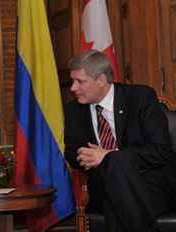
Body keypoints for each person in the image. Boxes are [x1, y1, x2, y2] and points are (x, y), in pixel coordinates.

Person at [64, 49, 176, 232]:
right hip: (102, 184)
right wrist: (89, 157)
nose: (73, 88)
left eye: (80, 81)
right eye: (73, 81)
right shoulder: (73, 110)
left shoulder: (140, 97)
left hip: (149, 179)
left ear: (101, 80)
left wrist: (109, 156)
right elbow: (70, 153)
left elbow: (161, 150)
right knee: (116, 179)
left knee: (117, 202)